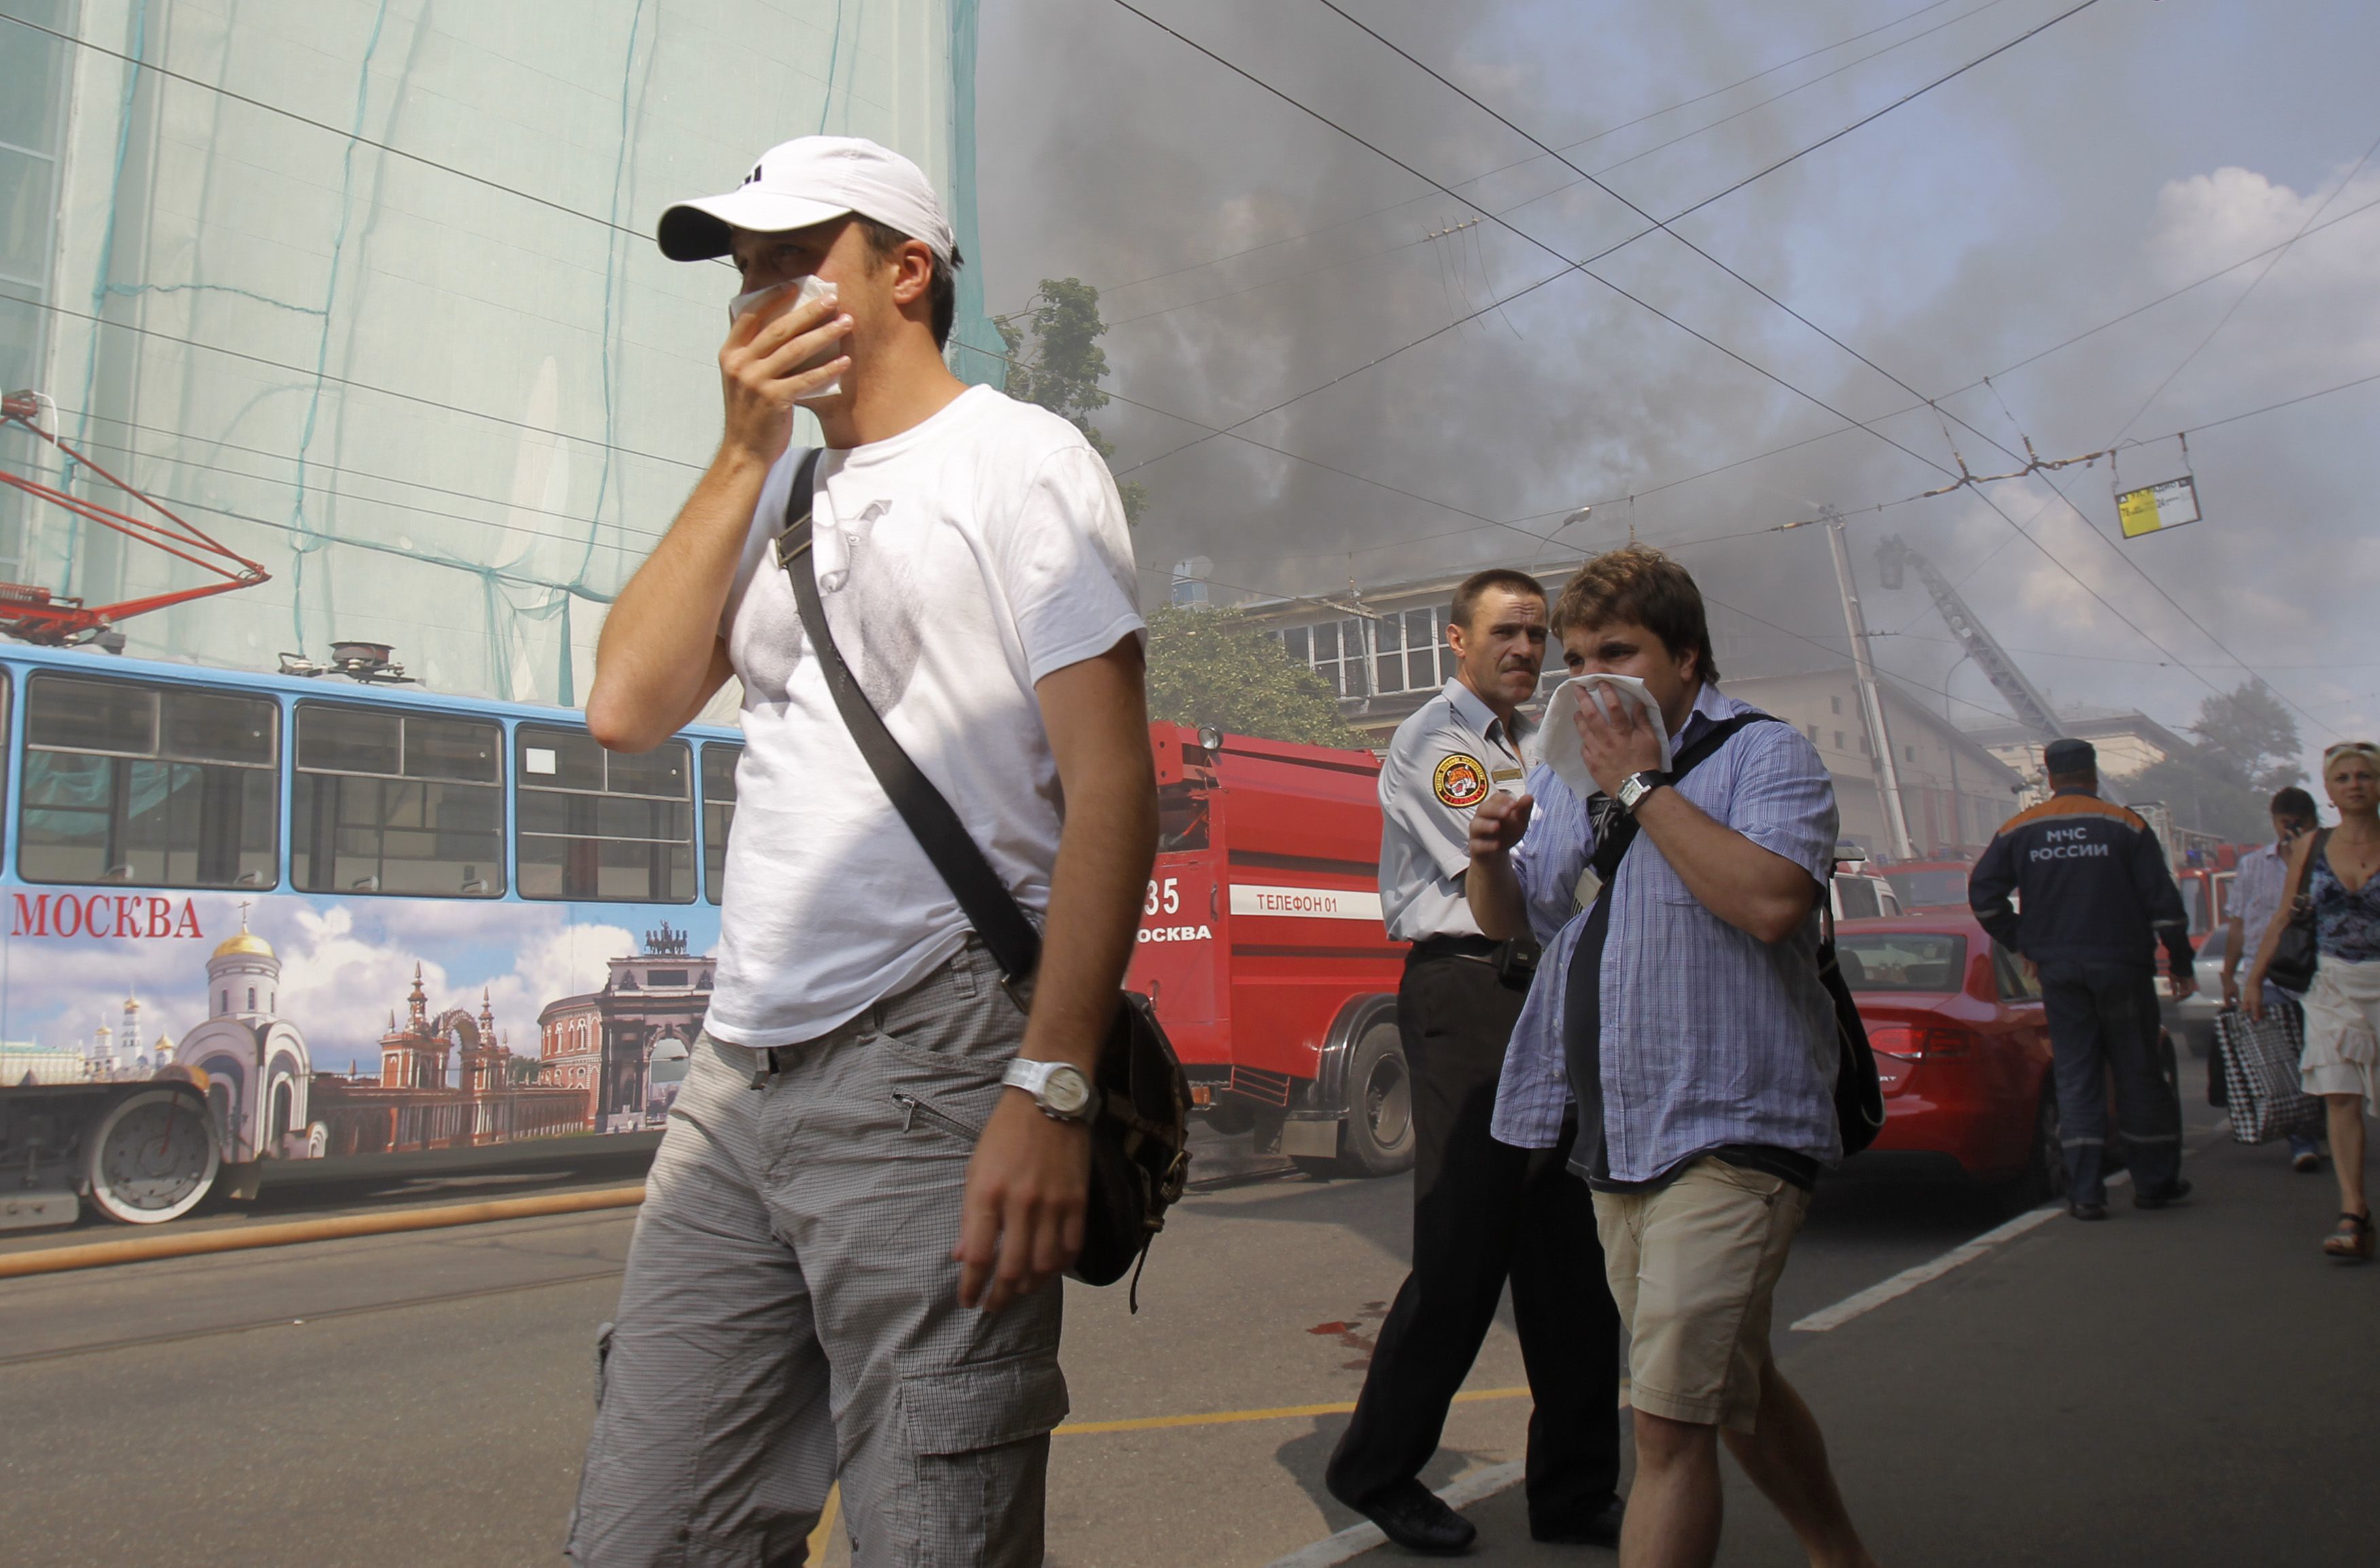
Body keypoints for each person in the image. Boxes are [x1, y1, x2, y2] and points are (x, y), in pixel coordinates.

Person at [567, 136, 1155, 1565]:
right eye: (742, 273)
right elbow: (625, 707)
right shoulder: (771, 488)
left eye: (791, 260)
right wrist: (740, 451)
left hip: (934, 1064)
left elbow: (1113, 790)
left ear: (906, 271)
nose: (756, 299)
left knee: (934, 1531)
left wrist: (1050, 1086)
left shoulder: (1022, 459)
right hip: (733, 1080)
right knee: (646, 1535)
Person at [1469, 546, 1875, 1568]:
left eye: (1620, 651)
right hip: (1619, 1128)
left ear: (1687, 658)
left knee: (1665, 1421)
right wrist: (1486, 858)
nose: (1590, 677)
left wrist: (1641, 784)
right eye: (1576, 656)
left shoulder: (1764, 753)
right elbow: (1531, 920)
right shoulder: (1571, 779)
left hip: (1737, 1120)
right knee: (1724, 1383)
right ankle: (1841, 1552)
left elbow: (1773, 901)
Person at [1325, 569, 1626, 1554]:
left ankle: (1574, 1490)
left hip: (1533, 987)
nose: (1526, 650)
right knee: (1464, 1245)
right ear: (1457, 640)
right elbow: (1515, 867)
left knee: (1567, 1260)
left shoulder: (1522, 744)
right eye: (1506, 632)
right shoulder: (1436, 742)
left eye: (1538, 634)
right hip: (1468, 989)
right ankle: (1376, 1467)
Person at [1969, 738, 2196, 1221]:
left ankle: (2087, 1192)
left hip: (2060, 971)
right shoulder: (2126, 825)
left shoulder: (2019, 829)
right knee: (2138, 1071)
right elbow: (2166, 907)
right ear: (2092, 774)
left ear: (2050, 778)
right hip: (2123, 966)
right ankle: (2153, 1184)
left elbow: (1985, 895)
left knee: (2076, 1075)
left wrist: (2023, 940)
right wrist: (2180, 962)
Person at [2245, 742, 2380, 1261]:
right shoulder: (2312, 846)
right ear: (2330, 790)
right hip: (2331, 986)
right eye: (2343, 777)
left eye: (2365, 775)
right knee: (2339, 1093)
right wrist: (2255, 979)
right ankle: (2354, 1213)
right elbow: (2284, 916)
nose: (2354, 784)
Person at [2222, 786, 2324, 1172]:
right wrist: (2230, 976)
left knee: (2321, 1056)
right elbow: (2237, 924)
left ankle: (2327, 1123)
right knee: (2286, 1060)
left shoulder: (2326, 859)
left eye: (2300, 823)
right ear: (2275, 822)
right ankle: (2303, 1140)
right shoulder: (2253, 866)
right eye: (2286, 823)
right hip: (2267, 976)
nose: (2292, 830)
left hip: (2317, 973)